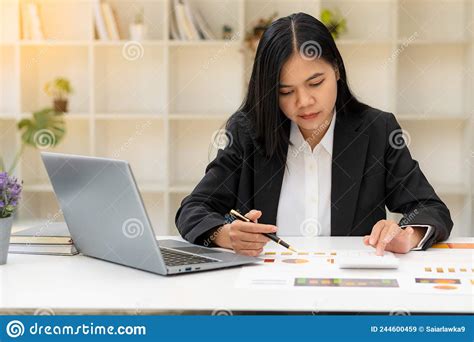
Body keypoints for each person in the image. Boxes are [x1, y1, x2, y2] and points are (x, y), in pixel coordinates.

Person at [175, 12, 452, 257]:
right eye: (286, 91)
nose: (304, 101)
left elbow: (430, 208)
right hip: (265, 296)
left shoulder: (377, 130)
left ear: (337, 71)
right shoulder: (248, 131)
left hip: (352, 297)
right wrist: (226, 235)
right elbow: (194, 209)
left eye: (316, 83)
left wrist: (408, 234)